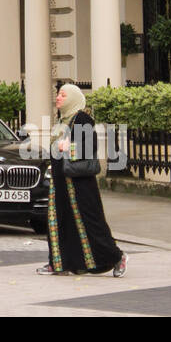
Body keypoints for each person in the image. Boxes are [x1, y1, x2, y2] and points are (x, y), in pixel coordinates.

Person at [37, 83, 127, 277]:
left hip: (79, 183)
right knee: (60, 221)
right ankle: (60, 263)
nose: (58, 98)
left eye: (63, 95)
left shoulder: (82, 118)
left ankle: (117, 257)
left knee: (91, 223)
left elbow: (90, 147)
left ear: (72, 99)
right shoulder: (62, 120)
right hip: (61, 182)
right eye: (58, 94)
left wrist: (67, 148)